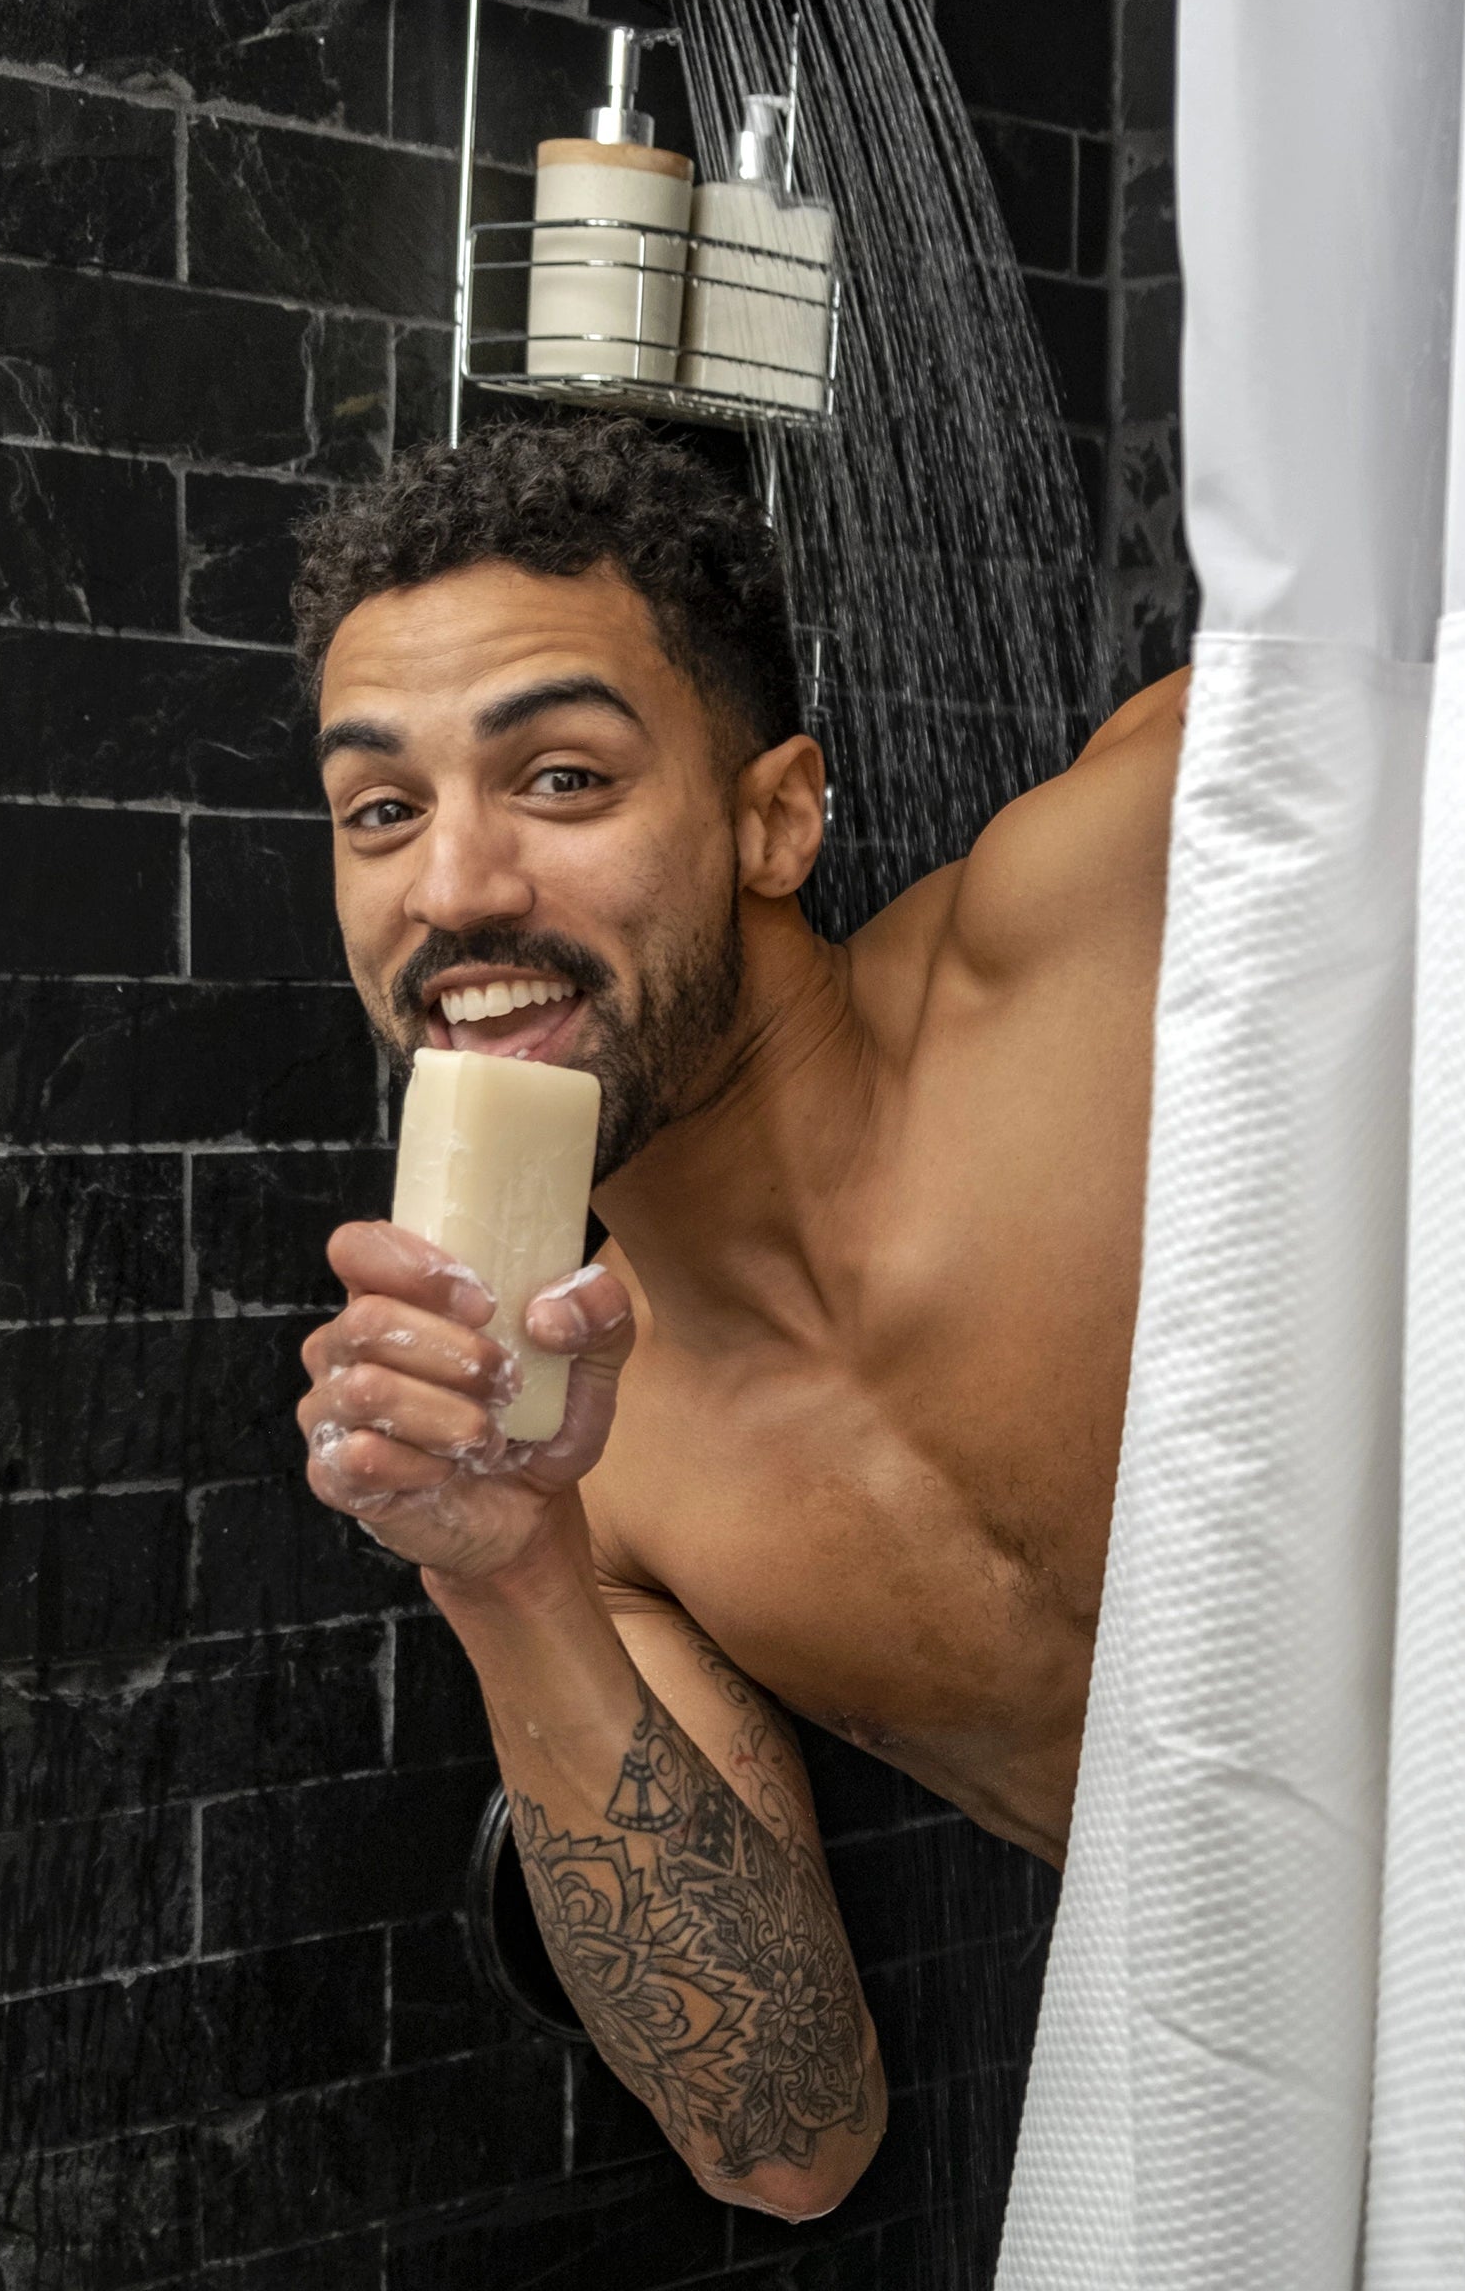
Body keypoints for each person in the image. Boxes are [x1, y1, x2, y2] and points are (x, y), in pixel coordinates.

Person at [290, 416, 1181, 2220]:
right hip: (1286, 2046)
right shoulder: (584, 1479)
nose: (451, 889)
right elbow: (784, 2134)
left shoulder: (1109, 926)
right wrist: (506, 1574)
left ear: (775, 816)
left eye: (558, 779)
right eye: (382, 810)